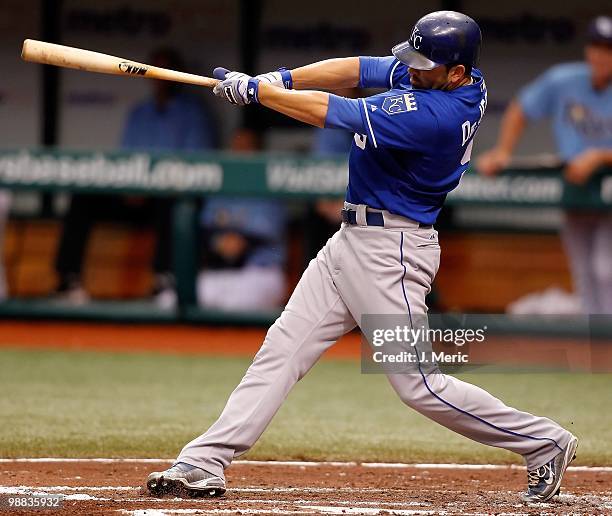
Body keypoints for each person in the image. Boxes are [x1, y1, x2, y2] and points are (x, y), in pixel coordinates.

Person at [147, 11, 577, 503]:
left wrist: (258, 94)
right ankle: (205, 460)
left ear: (455, 72)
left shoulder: (438, 114)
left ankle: (544, 441)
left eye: (423, 65)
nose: (410, 69)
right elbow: (354, 69)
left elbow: (334, 111)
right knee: (282, 348)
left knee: (420, 387)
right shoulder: (442, 76)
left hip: (390, 253)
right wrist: (278, 78)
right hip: (350, 242)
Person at [53, 48, 214, 307]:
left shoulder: (192, 113)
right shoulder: (140, 113)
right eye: (155, 72)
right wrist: (131, 184)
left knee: (175, 204)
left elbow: (197, 167)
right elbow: (125, 158)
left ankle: (164, 279)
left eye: (165, 71)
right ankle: (68, 279)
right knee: (84, 198)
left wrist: (152, 184)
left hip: (167, 194)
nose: (160, 79)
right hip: (134, 193)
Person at [477, 16, 612, 314]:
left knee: (606, 268)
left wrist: (600, 156)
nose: (602, 56)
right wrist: (503, 150)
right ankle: (598, 344)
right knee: (584, 271)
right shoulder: (565, 79)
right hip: (576, 185)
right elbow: (520, 108)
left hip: (608, 185)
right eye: (597, 48)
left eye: (609, 49)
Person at [197, 196, 287, 311]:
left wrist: (242, 241)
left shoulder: (269, 193)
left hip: (260, 270)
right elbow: (204, 227)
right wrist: (216, 241)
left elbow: (267, 232)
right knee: (171, 300)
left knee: (237, 304)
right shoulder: (217, 188)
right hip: (215, 272)